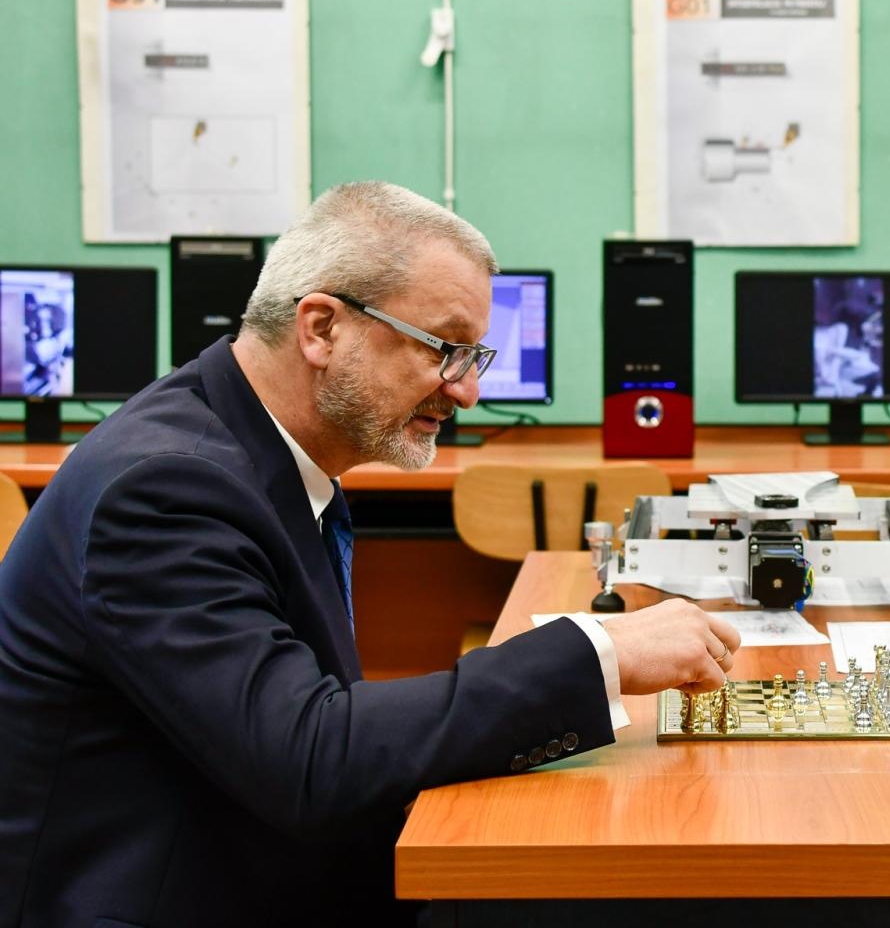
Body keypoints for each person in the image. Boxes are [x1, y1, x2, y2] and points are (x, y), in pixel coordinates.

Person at [0, 182, 741, 926]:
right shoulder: (167, 488)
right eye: (445, 350)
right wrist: (599, 653)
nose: (468, 392)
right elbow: (307, 754)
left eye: (474, 357)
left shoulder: (259, 449)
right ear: (321, 328)